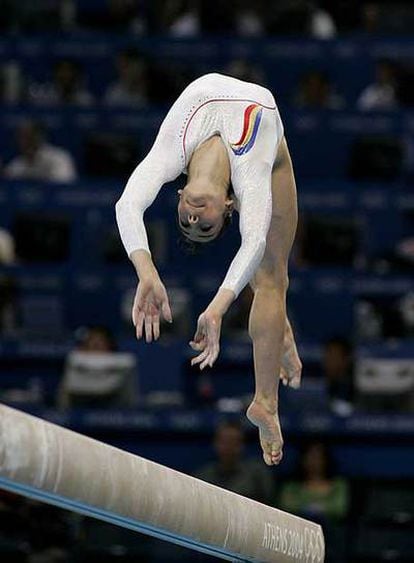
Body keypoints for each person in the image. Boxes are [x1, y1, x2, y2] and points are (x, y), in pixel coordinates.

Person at [116, 73, 302, 465]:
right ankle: (266, 402)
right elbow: (252, 241)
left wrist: (150, 272)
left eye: (189, 222)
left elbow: (128, 203)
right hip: (270, 140)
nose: (194, 219)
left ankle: (275, 339)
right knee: (272, 280)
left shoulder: (173, 152)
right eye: (204, 226)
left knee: (269, 278)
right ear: (229, 206)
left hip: (242, 116)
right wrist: (213, 305)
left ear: (179, 195)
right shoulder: (249, 171)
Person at [194, 420, 275, 504]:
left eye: (233, 442)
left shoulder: (256, 475)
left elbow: (269, 501)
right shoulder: (204, 476)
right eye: (224, 442)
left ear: (241, 445)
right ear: (216, 444)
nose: (228, 447)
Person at [3, 120, 77, 183]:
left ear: (40, 137)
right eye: (22, 138)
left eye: (30, 137)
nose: (26, 142)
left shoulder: (59, 157)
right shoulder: (16, 165)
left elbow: (62, 185)